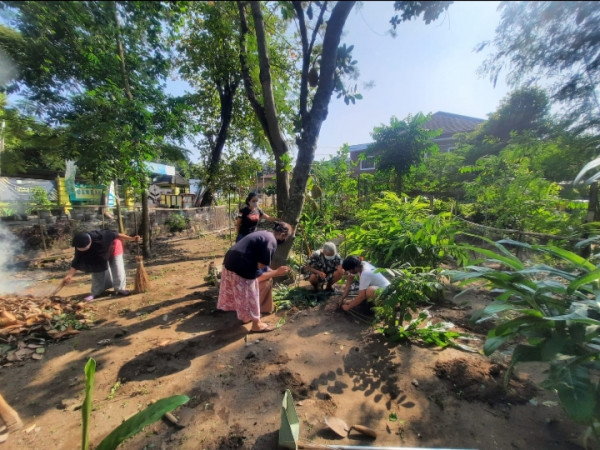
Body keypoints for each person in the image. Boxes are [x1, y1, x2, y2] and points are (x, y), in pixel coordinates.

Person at [218, 221, 293, 333]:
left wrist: (274, 271)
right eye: (286, 238)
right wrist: (277, 272)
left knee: (247, 288)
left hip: (230, 262)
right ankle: (256, 324)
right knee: (251, 292)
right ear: (283, 235)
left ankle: (245, 316)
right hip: (241, 266)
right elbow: (261, 269)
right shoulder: (271, 241)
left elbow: (262, 265)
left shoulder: (264, 234)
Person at [62, 230, 141, 302]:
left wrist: (132, 238)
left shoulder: (102, 235)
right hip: (99, 255)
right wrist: (69, 275)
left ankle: (120, 289)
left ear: (89, 242)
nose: (82, 250)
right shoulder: (79, 243)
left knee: (117, 268)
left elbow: (117, 235)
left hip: (114, 247)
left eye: (84, 249)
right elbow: (77, 260)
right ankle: (96, 292)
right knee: (96, 269)